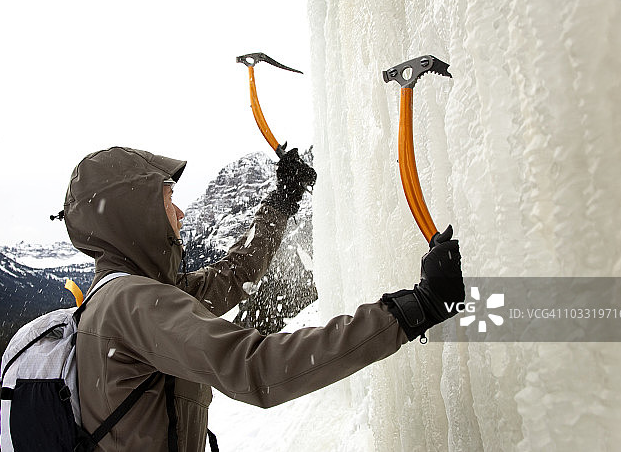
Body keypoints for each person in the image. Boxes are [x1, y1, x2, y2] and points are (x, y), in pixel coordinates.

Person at [64, 146, 464, 452]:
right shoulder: (132, 302)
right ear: (137, 212)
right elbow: (255, 368)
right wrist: (416, 308)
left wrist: (281, 201)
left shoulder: (131, 293)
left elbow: (234, 274)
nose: (181, 213)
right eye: (169, 199)